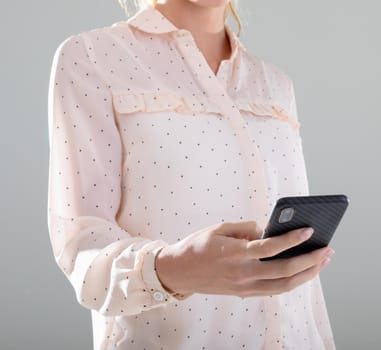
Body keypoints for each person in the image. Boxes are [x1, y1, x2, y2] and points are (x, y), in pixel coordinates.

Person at [46, 0, 336, 348]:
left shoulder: (274, 85)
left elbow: (306, 298)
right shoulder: (92, 57)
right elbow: (82, 250)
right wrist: (173, 268)